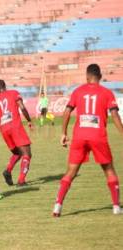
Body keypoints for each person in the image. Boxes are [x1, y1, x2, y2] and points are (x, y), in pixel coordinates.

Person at [53, 64, 123, 217]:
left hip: (79, 136)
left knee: (71, 172)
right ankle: (116, 207)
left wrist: (63, 133)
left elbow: (66, 112)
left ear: (86, 76)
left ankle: (57, 206)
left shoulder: (78, 91)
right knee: (109, 170)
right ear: (100, 76)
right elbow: (115, 116)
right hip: (98, 136)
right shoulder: (107, 93)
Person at [0, 79, 33, 186]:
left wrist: (2, 121)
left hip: (4, 129)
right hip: (15, 126)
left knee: (17, 153)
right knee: (27, 154)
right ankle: (21, 180)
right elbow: (22, 107)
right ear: (4, 86)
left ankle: (8, 171)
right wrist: (29, 120)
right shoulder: (13, 93)